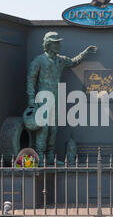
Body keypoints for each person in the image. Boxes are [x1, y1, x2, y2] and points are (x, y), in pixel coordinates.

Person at [26, 32, 97, 165]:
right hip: (43, 98)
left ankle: (51, 156)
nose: (59, 45)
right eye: (56, 42)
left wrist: (85, 52)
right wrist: (31, 98)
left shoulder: (61, 60)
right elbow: (31, 80)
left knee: (53, 128)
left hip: (56, 97)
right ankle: (40, 156)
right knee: (43, 128)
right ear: (48, 44)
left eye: (58, 42)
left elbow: (74, 62)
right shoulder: (38, 60)